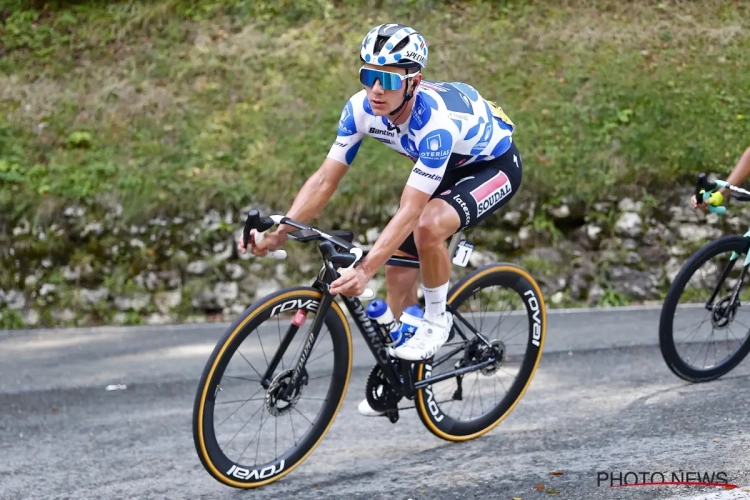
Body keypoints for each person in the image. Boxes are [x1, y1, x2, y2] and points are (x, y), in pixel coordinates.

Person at [239, 23, 523, 416]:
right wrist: (279, 234)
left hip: (493, 167)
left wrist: (364, 269)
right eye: (368, 76)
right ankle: (402, 378)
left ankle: (438, 321)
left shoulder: (434, 123)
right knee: (397, 281)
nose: (375, 89)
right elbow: (324, 179)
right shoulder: (360, 109)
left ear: (413, 82)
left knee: (427, 225)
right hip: (441, 173)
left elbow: (411, 210)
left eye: (386, 79)